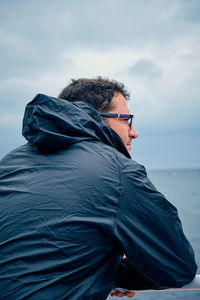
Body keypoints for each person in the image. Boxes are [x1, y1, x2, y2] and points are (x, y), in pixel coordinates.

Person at [0, 77, 197, 299]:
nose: (134, 133)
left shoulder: (9, 164)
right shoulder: (118, 170)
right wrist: (114, 271)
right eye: (127, 120)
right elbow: (178, 267)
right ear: (99, 118)